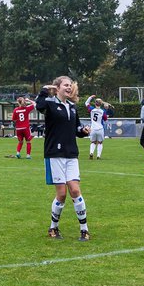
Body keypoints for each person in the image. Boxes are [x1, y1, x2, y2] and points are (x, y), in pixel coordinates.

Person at [36, 76, 92, 241]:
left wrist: (84, 131)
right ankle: (53, 228)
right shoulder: (50, 103)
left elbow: (76, 130)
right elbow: (39, 105)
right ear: (58, 87)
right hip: (55, 154)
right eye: (66, 85)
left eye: (70, 85)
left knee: (75, 190)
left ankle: (84, 229)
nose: (69, 88)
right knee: (62, 194)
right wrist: (45, 90)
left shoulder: (73, 107)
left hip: (71, 154)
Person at [86, 96, 110, 160]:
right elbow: (105, 119)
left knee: (93, 142)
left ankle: (91, 153)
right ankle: (98, 156)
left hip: (93, 128)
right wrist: (106, 108)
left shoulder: (91, 109)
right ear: (100, 104)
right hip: (100, 129)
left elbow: (86, 103)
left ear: (95, 103)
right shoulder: (103, 111)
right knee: (100, 143)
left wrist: (90, 97)